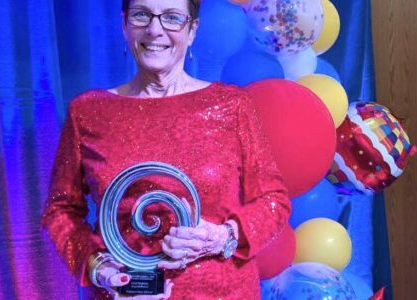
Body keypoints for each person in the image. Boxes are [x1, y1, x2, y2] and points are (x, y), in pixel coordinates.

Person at [42, 0, 291, 299]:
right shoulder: (87, 111)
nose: (155, 29)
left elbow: (273, 201)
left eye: (172, 18)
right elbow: (61, 210)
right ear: (124, 25)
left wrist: (222, 236)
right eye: (141, 15)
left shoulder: (232, 106)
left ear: (192, 30)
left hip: (224, 292)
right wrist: (100, 268)